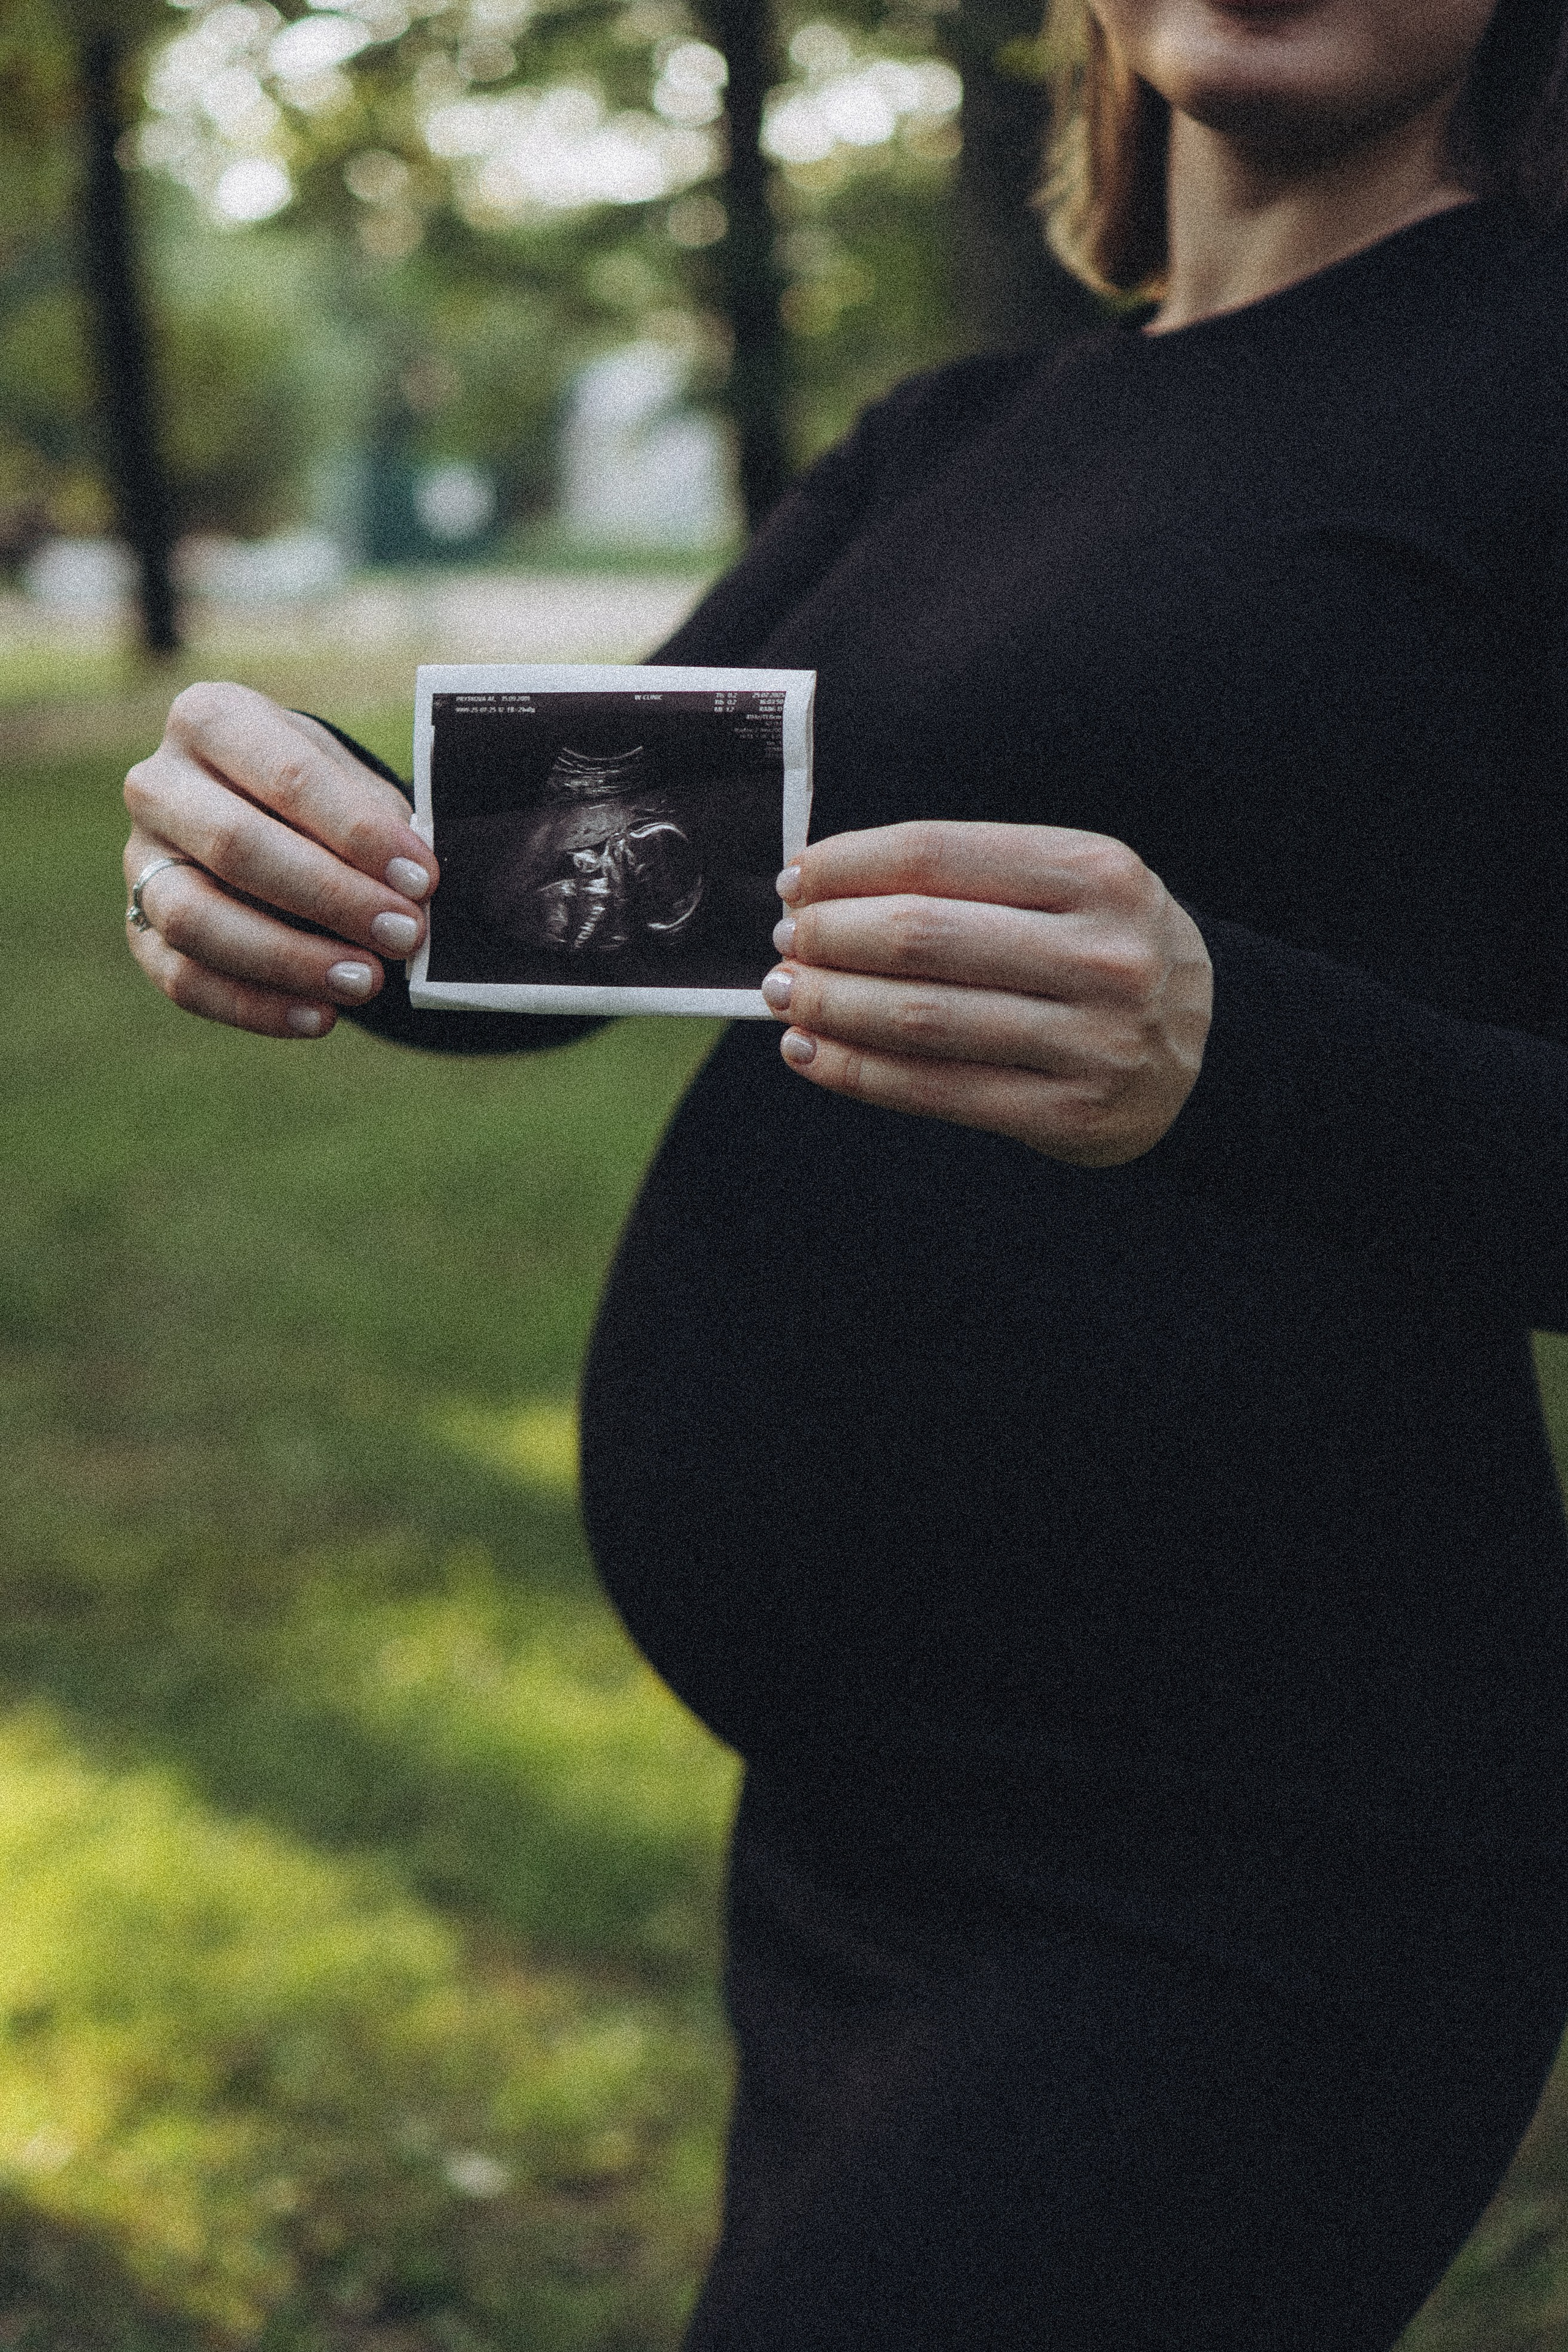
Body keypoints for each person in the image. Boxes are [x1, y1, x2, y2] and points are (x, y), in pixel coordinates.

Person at [121, 0, 1568, 2341]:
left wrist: (1240, 1054)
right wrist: (292, 843)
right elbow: (541, 909)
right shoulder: (963, 438)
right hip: (861, 1835)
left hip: (1255, 1868)